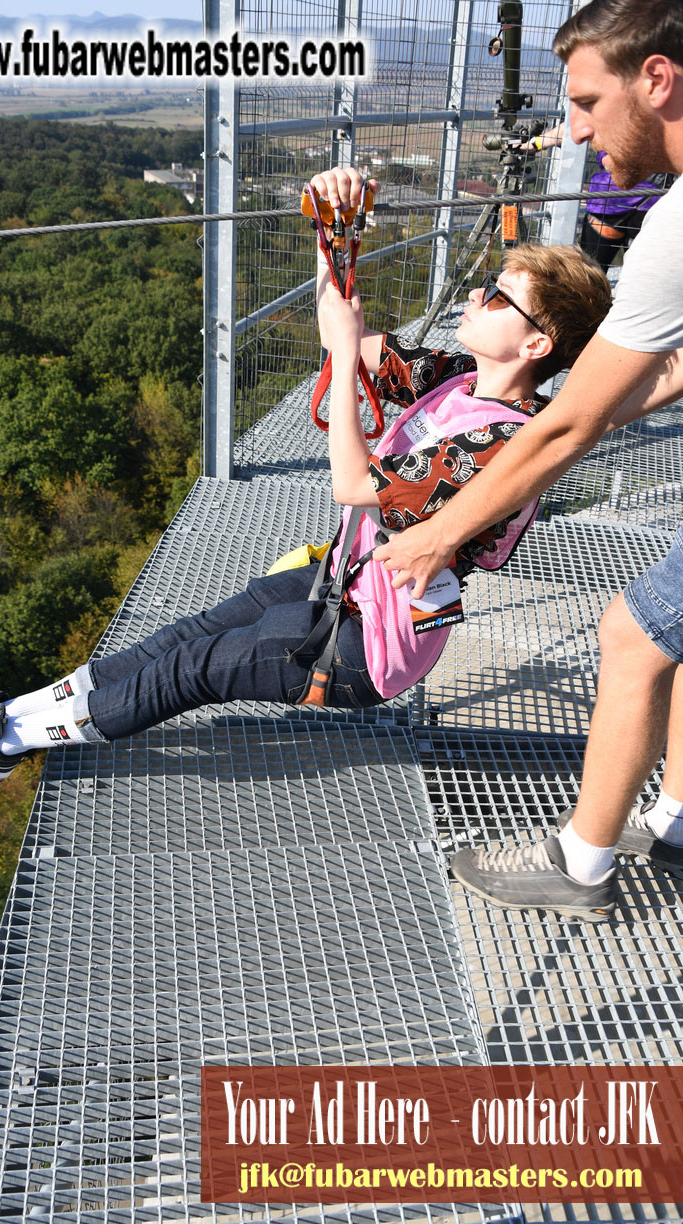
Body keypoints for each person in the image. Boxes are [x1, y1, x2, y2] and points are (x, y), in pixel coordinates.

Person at [0, 241, 610, 783]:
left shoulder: (501, 443)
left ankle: (5, 743)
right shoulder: (459, 379)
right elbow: (357, 345)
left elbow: (353, 481)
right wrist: (334, 246)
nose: (476, 296)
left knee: (195, 669)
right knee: (182, 635)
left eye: (498, 299)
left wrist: (342, 348)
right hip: (346, 581)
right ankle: (10, 713)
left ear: (536, 346)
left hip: (369, 645)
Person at [352, 0, 683, 922]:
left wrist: (437, 537)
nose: (572, 130)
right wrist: (618, 406)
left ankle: (580, 866)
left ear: (657, 80)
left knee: (636, 635)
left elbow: (556, 432)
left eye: (585, 100)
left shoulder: (676, 230)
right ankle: (682, 820)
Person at [528, 122, 672, 270]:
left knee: (590, 274)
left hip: (609, 199)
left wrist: (533, 144)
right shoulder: (666, 114)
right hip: (652, 202)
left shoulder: (611, 109)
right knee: (642, 274)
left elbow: (574, 127)